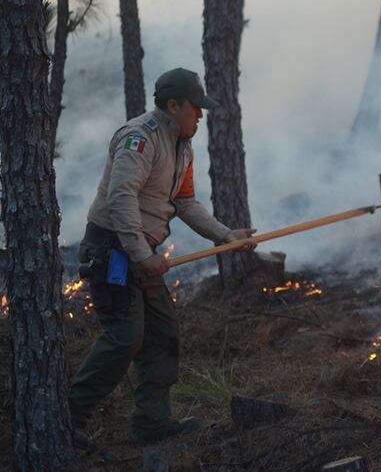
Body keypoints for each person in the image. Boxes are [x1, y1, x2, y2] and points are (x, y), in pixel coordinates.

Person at [68, 67, 257, 448]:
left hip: (140, 252)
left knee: (161, 334)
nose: (201, 115)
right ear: (173, 105)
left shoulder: (182, 146)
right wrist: (140, 254)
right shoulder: (140, 139)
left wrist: (226, 235)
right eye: (195, 108)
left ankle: (152, 423)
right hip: (112, 250)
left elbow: (185, 202)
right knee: (125, 337)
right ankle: (67, 417)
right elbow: (120, 198)